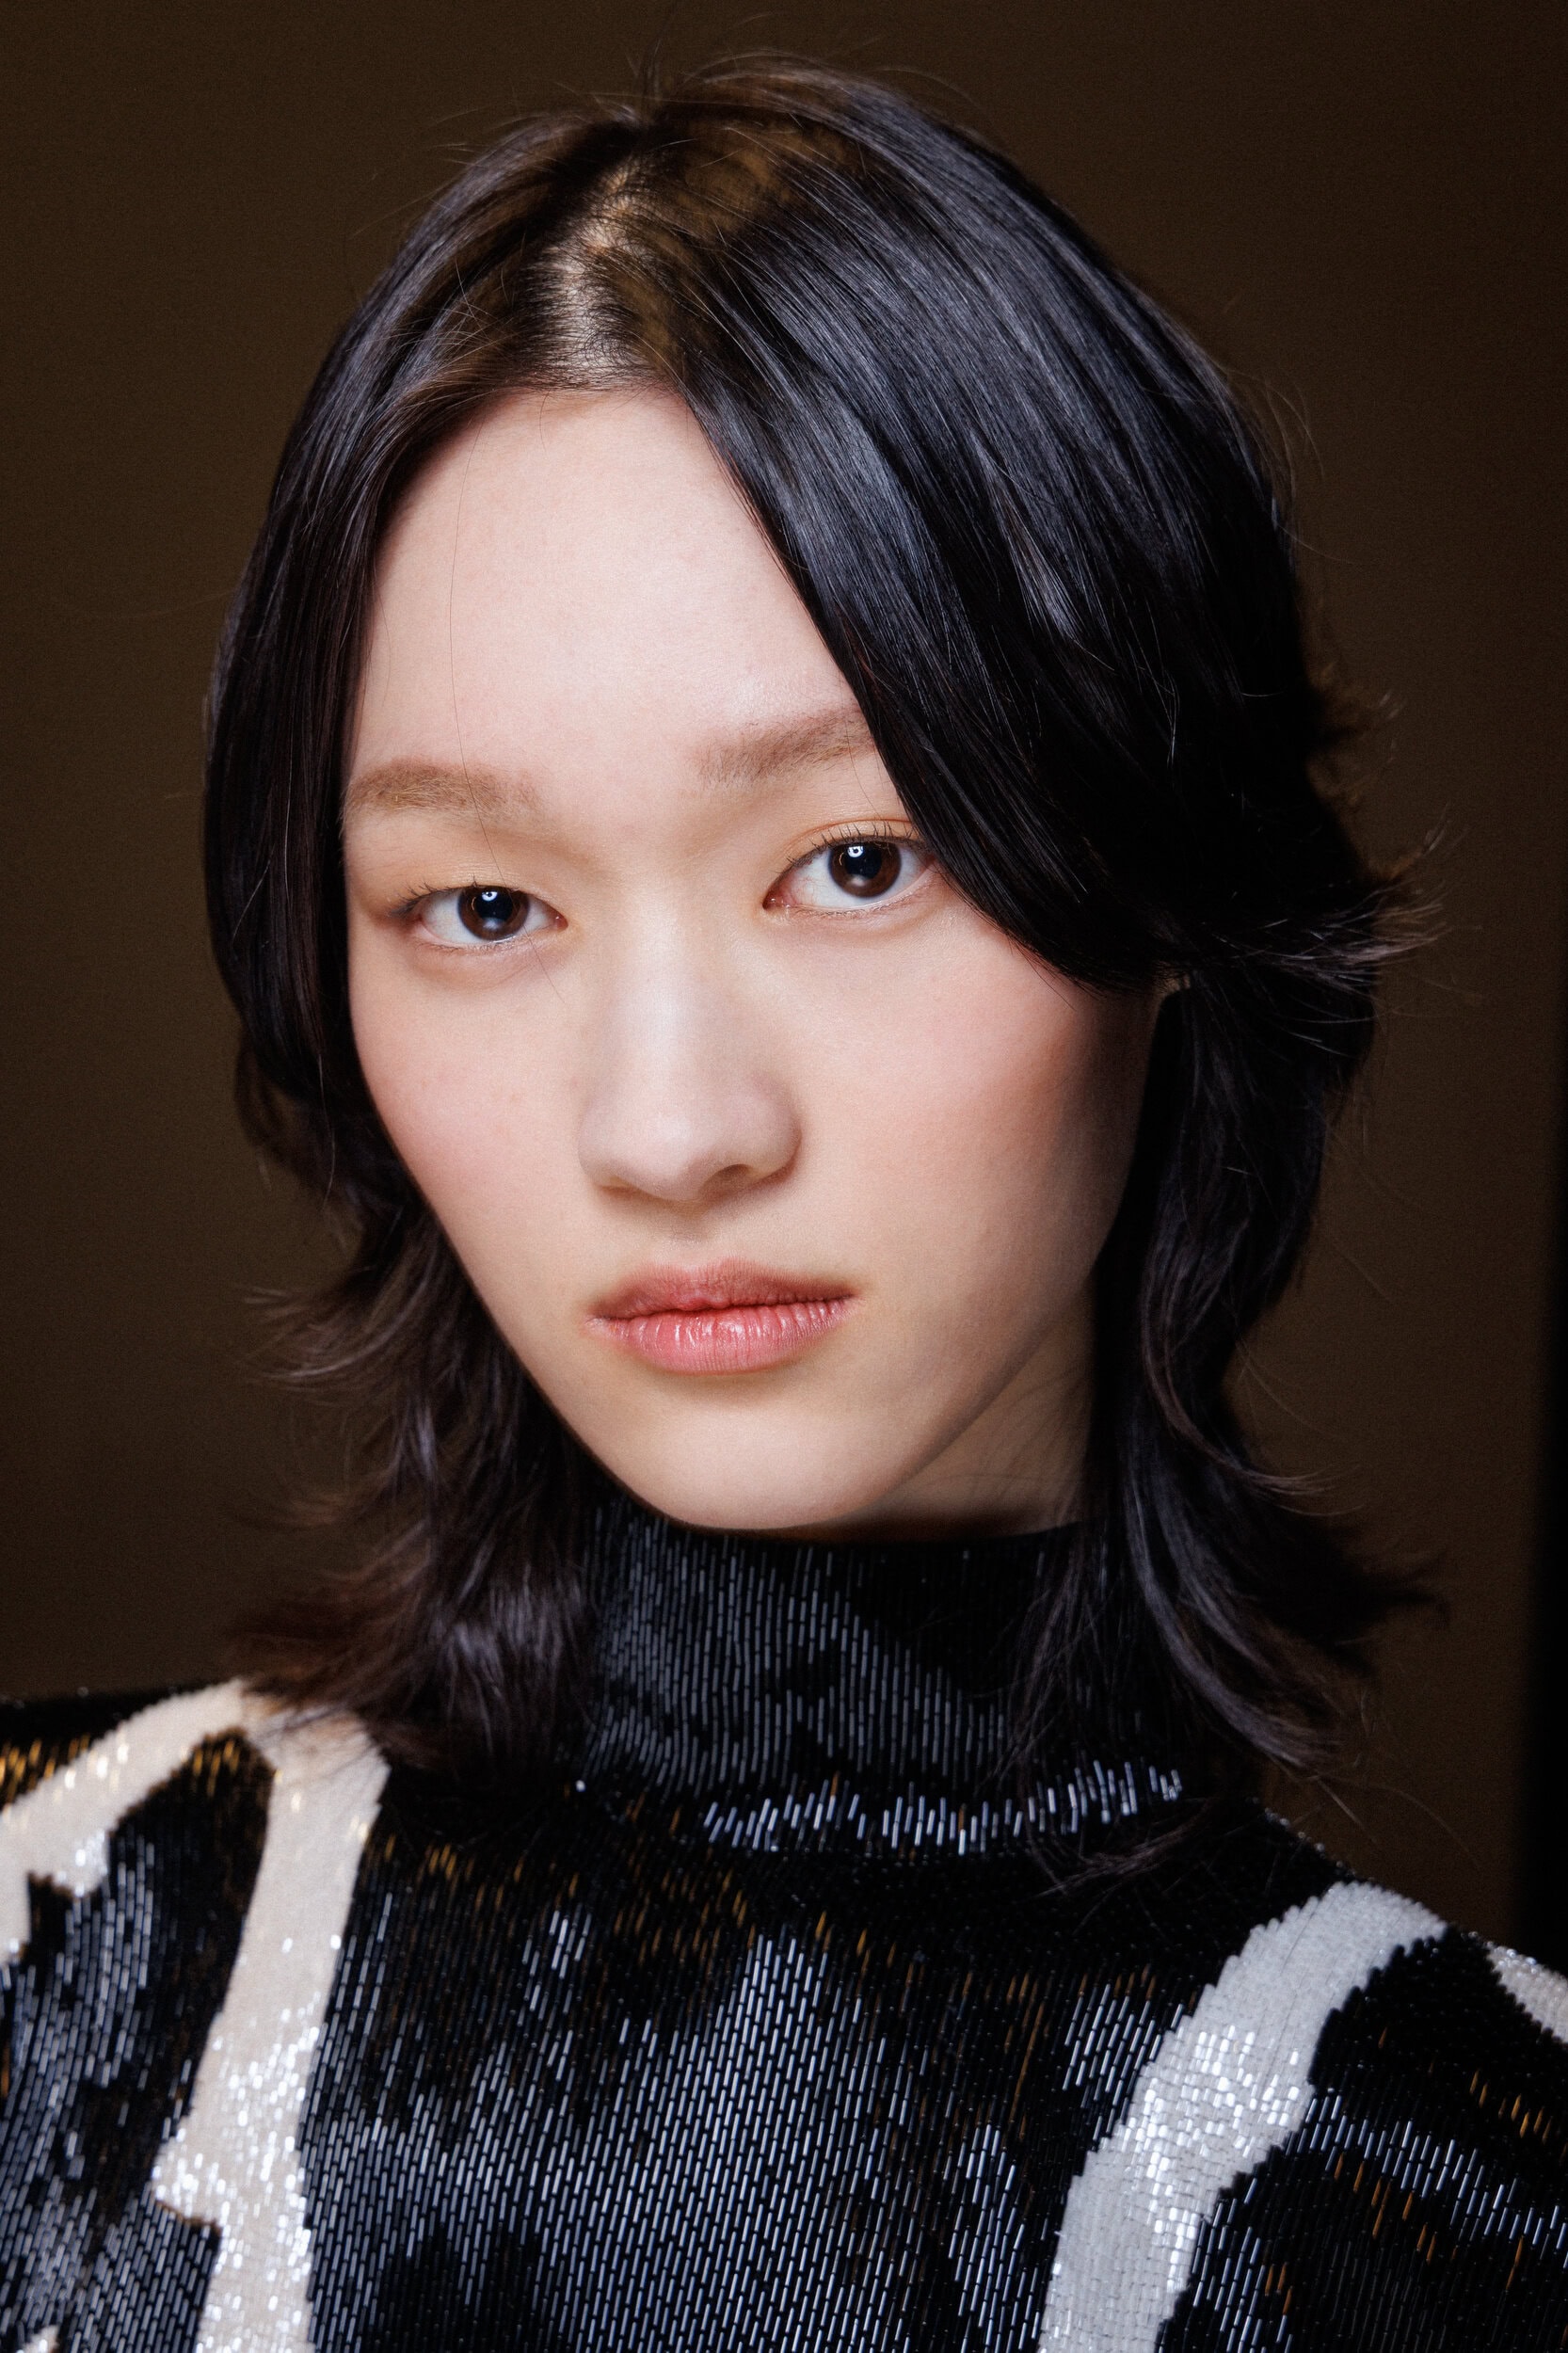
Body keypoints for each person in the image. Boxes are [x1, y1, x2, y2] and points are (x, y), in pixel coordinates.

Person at [2, 57, 1564, 2353]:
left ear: (1162, 878)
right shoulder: (54, 1934)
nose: (669, 1128)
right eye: (482, 905)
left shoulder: (1446, 2190)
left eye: (855, 860)